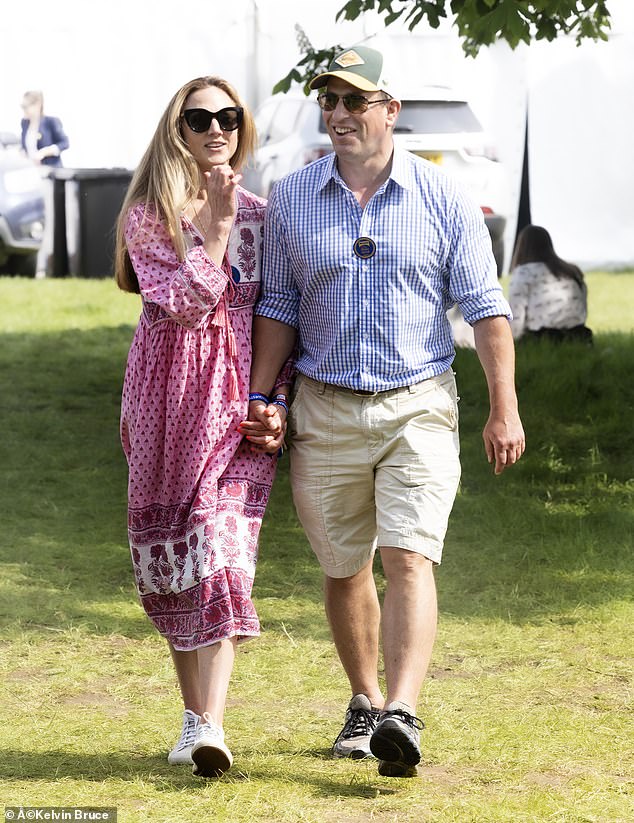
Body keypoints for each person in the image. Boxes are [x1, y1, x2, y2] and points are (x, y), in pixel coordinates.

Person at [245, 43, 525, 778]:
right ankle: (365, 701)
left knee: (408, 555)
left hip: (417, 404)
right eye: (329, 101)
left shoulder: (443, 199)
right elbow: (278, 304)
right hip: (325, 408)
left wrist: (505, 409)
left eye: (355, 101)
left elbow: (486, 310)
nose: (339, 114)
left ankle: (402, 711)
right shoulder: (294, 197)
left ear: (390, 110)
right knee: (345, 568)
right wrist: (261, 395)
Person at [114, 75, 290, 779]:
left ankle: (211, 725)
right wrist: (213, 231)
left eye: (227, 116)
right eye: (199, 118)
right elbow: (187, 304)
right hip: (168, 404)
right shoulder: (147, 217)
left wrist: (275, 397)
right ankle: (193, 720)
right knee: (178, 562)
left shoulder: (266, 217)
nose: (215, 127)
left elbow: (278, 312)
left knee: (222, 557)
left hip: (238, 410)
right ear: (177, 129)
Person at [509, 224, 593, 343]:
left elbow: (516, 316)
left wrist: (512, 341)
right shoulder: (572, 270)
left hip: (542, 338)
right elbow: (582, 308)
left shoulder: (523, 272)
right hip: (580, 336)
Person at [20, 90, 69, 167]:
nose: (24, 109)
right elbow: (25, 146)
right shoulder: (25, 123)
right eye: (22, 106)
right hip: (32, 169)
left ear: (38, 104)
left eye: (26, 106)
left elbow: (65, 143)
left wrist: (45, 152)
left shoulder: (51, 121)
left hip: (50, 169)